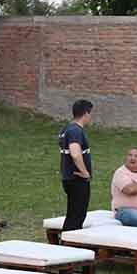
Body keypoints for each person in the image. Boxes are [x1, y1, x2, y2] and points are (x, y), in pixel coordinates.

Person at [58, 99, 94, 233]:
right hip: (77, 179)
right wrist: (85, 173)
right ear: (85, 113)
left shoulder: (66, 129)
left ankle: (67, 242)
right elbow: (75, 154)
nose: (91, 117)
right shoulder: (75, 131)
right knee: (77, 215)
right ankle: (69, 246)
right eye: (90, 114)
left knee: (73, 213)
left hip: (69, 178)